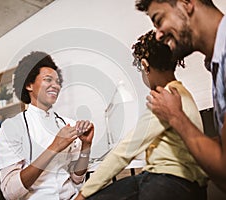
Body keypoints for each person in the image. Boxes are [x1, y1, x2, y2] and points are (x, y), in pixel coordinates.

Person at [75, 30, 207, 200]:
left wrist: (82, 194)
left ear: (145, 65)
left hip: (167, 181)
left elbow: (125, 151)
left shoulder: (165, 99)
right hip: (187, 181)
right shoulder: (181, 93)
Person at [135, 0, 226, 190]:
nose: (158, 35)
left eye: (159, 20)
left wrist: (175, 116)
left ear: (186, 3)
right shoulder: (217, 65)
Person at [0, 51, 94, 199]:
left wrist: (86, 146)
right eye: (48, 80)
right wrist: (55, 146)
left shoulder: (68, 124)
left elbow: (77, 178)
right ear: (29, 84)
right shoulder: (12, 128)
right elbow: (10, 192)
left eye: (57, 81)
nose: (56, 86)